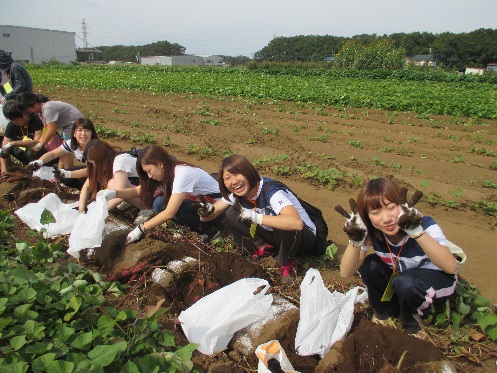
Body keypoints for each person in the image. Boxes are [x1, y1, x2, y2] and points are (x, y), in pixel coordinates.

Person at [337, 177, 459, 336]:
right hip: (403, 279)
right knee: (370, 265)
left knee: (406, 282)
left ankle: (413, 325)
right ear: (366, 216)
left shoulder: (424, 224)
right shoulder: (371, 231)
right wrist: (355, 240)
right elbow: (346, 272)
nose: (386, 219)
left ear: (402, 205)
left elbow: (451, 267)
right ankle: (384, 314)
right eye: (376, 212)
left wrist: (416, 232)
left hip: (437, 280)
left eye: (391, 207)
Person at [199, 154, 318, 283]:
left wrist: (255, 217)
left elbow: (296, 223)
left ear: (248, 172)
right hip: (276, 235)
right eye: (227, 178)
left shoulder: (271, 191)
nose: (234, 181)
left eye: (237, 174)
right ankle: (262, 248)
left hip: (304, 239)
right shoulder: (237, 193)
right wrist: (206, 212)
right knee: (230, 213)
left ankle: (286, 262)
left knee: (283, 221)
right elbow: (209, 216)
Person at [98, 144, 223, 245]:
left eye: (149, 171)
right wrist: (113, 194)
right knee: (159, 202)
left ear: (160, 164)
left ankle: (209, 230)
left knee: (165, 205)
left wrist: (141, 228)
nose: (149, 176)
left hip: (216, 209)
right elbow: (138, 191)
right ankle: (194, 225)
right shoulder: (167, 172)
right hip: (201, 206)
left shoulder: (182, 173)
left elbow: (170, 212)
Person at [79, 139, 152, 223]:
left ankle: (146, 208)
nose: (95, 166)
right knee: (114, 186)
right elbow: (86, 186)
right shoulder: (110, 161)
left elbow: (119, 197)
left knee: (112, 185)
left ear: (104, 158)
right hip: (139, 184)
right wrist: (81, 209)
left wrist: (97, 213)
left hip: (150, 189)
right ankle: (132, 200)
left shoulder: (120, 162)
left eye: (96, 163)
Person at [26, 117, 99, 189]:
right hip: (90, 171)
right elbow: (53, 154)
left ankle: (92, 191)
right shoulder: (72, 143)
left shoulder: (95, 148)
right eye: (80, 130)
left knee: (79, 178)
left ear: (92, 133)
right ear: (74, 133)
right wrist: (40, 162)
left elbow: (90, 171)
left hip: (101, 174)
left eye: (87, 130)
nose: (83, 134)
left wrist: (67, 174)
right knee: (66, 179)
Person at [16, 92, 83, 169]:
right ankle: (60, 172)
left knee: (65, 151)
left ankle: (68, 176)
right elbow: (46, 129)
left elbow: (51, 131)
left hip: (74, 123)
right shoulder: (41, 111)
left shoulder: (48, 108)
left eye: (28, 110)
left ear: (30, 106)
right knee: (62, 150)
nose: (29, 113)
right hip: (66, 126)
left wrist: (40, 145)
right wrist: (42, 141)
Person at [0, 100, 55, 173]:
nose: (15, 122)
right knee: (7, 149)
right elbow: (5, 145)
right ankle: (30, 168)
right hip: (28, 154)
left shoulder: (36, 120)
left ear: (24, 114)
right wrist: (4, 170)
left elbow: (36, 142)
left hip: (48, 151)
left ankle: (45, 168)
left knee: (30, 152)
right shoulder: (12, 125)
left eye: (16, 119)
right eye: (12, 120)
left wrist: (14, 143)